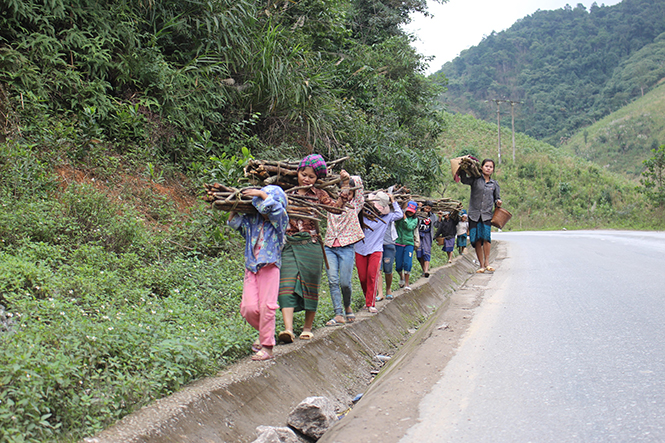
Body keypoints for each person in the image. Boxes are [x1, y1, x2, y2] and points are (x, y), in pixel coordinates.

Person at [278, 154, 347, 343]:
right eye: (303, 174)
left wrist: (345, 188)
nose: (306, 179)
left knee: (310, 286)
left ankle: (307, 328)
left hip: (311, 245)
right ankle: (288, 329)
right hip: (290, 244)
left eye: (311, 176)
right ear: (297, 172)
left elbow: (336, 209)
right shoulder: (287, 191)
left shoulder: (319, 194)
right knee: (286, 285)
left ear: (317, 179)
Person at [227, 185, 289, 361]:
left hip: (270, 266)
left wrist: (262, 194)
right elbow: (236, 224)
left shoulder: (281, 222)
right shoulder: (252, 220)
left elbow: (277, 211)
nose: (264, 208)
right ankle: (266, 334)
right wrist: (233, 206)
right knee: (248, 308)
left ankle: (267, 347)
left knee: (266, 307)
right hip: (252, 267)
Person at [324, 174, 364, 326]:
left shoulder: (355, 205)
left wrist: (348, 178)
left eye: (349, 191)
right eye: (343, 190)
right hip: (329, 247)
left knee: (345, 282)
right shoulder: (330, 204)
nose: (345, 194)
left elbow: (359, 189)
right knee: (333, 280)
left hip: (346, 247)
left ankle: (347, 305)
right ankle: (338, 313)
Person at [355, 191, 403, 313]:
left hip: (376, 249)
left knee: (372, 275)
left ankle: (370, 303)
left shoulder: (387, 217)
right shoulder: (363, 213)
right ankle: (367, 297)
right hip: (360, 248)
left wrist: (393, 200)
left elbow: (399, 214)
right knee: (362, 278)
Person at [459, 158, 502, 273]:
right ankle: (481, 265)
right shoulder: (475, 180)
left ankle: (487, 262)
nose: (488, 168)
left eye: (491, 167)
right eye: (486, 166)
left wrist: (498, 201)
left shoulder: (494, 184)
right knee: (477, 240)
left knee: (486, 238)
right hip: (474, 214)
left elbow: (497, 197)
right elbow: (463, 180)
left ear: (493, 170)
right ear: (482, 167)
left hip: (487, 215)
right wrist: (461, 168)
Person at [395, 200, 418, 291]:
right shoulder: (400, 217)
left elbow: (410, 227)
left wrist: (405, 219)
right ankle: (401, 277)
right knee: (398, 265)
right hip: (399, 243)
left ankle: (407, 284)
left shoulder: (415, 220)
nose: (409, 213)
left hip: (409, 244)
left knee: (407, 264)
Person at [416, 200, 438, 278]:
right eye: (426, 208)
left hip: (427, 235)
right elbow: (416, 221)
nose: (427, 210)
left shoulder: (433, 216)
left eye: (429, 209)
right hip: (418, 234)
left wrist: (440, 218)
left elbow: (436, 225)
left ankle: (426, 270)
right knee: (419, 254)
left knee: (426, 252)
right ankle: (424, 269)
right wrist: (419, 209)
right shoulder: (418, 213)